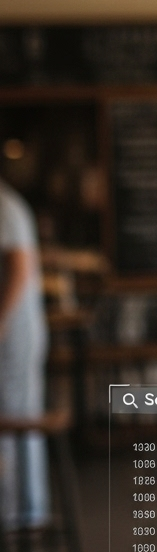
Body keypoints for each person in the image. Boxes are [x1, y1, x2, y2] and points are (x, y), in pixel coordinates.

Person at [0, 178, 48, 529]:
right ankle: (22, 510)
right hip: (15, 332)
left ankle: (19, 514)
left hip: (13, 336)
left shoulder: (3, 206)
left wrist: (0, 322)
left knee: (14, 420)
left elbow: (20, 267)